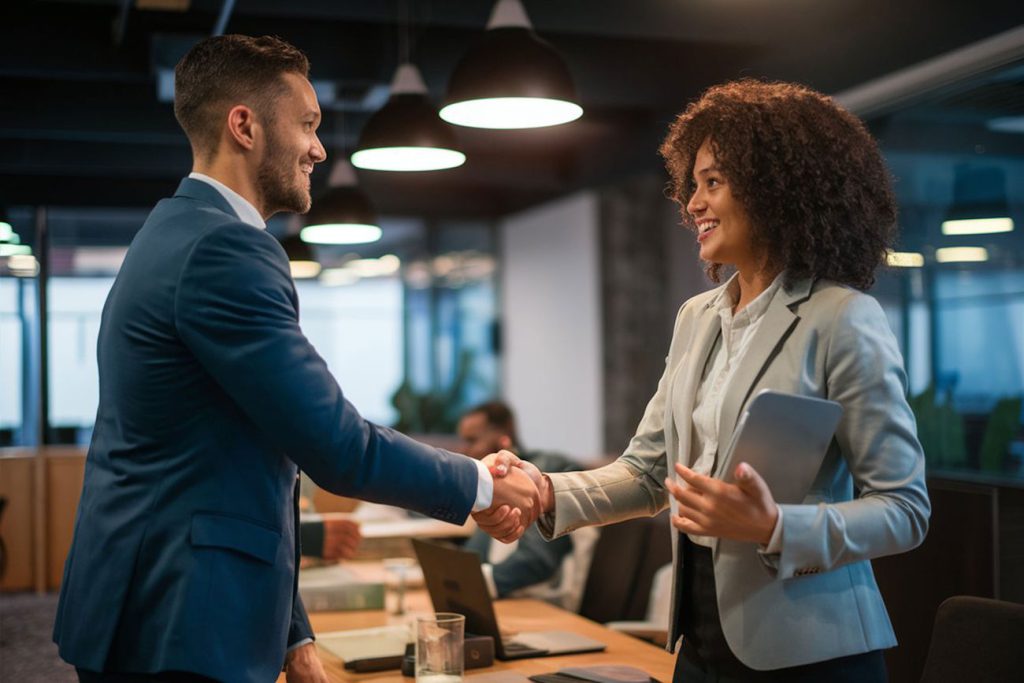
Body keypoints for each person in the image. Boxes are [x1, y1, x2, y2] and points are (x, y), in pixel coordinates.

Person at [53, 35, 539, 683]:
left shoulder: (174, 231)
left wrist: (290, 629)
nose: (319, 147)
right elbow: (335, 444)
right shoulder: (224, 250)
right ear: (245, 126)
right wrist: (480, 485)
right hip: (179, 619)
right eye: (307, 124)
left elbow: (247, 455)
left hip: (155, 605)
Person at [499, 80, 931, 681]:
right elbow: (650, 473)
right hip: (699, 641)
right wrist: (547, 491)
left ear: (777, 186)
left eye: (713, 182)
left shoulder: (843, 318)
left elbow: (905, 508)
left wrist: (777, 526)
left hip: (814, 651)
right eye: (691, 185)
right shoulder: (696, 318)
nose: (692, 204)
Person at [457, 401, 595, 609]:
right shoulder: (493, 483)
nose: (464, 451)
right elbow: (474, 558)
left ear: (502, 440)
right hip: (508, 602)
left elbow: (538, 560)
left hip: (545, 609)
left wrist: (473, 583)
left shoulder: (550, 469)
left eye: (472, 440)